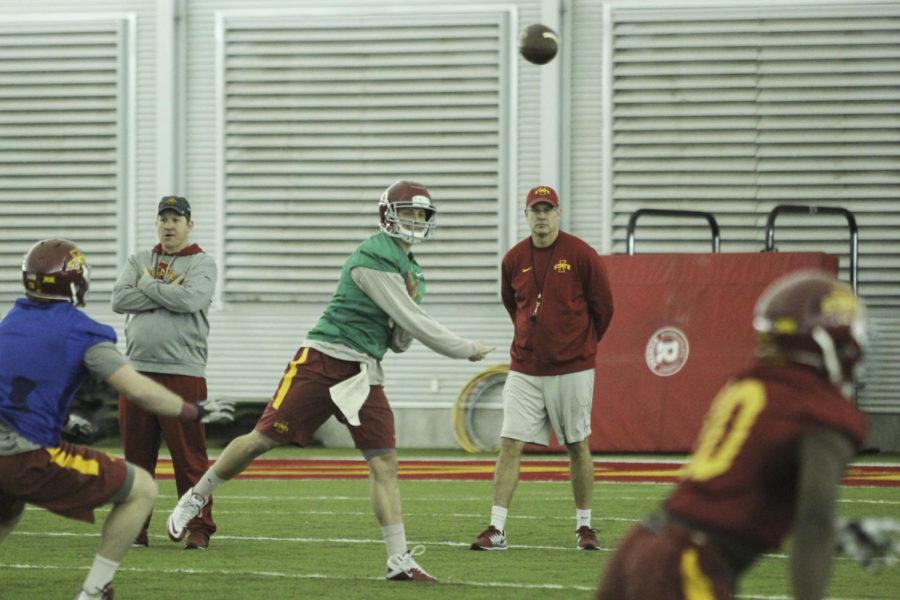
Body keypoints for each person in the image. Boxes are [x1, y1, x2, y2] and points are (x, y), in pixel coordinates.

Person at [165, 180, 495, 581]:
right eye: (407, 212)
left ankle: (398, 560)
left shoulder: (413, 270)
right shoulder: (371, 255)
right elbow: (416, 325)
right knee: (262, 439)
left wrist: (412, 303)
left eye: (421, 214)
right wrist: (464, 347)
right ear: (387, 215)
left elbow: (400, 339)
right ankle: (196, 497)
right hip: (323, 360)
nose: (415, 220)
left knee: (385, 463)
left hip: (364, 372)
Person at [596, 270, 871, 600]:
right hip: (688, 563)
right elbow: (814, 517)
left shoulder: (748, 384)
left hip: (641, 544)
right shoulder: (818, 409)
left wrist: (837, 534)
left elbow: (741, 492)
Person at [0, 239, 232, 600]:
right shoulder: (83, 331)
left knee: (8, 508)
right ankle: (95, 590)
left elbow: (17, 389)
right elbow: (137, 389)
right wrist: (194, 410)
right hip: (25, 455)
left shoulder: (9, 322)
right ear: (75, 281)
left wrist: (64, 420)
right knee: (141, 488)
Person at [470, 185, 614, 552]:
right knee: (509, 443)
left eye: (548, 209)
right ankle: (496, 528)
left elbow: (604, 309)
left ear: (558, 213)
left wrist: (578, 345)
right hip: (525, 366)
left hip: (573, 366)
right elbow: (513, 305)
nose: (542, 215)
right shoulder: (513, 259)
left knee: (577, 444)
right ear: (526, 214)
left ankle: (584, 527)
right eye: (536, 209)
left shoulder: (581, 254)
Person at [111, 195, 219, 550]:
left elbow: (190, 301)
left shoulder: (202, 263)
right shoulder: (139, 259)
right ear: (156, 223)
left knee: (190, 458)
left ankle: (199, 527)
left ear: (189, 224)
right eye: (164, 219)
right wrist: (165, 292)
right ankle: (135, 529)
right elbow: (118, 300)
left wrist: (145, 286)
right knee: (137, 458)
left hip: (182, 373)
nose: (169, 225)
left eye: (176, 219)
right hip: (138, 373)